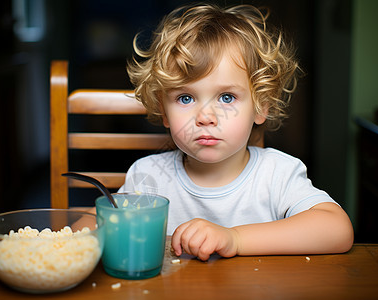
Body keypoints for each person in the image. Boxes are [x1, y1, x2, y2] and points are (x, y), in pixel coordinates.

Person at [119, 3, 354, 261]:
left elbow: (337, 230)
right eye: (185, 98)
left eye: (227, 97)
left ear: (260, 107)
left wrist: (236, 238)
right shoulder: (146, 178)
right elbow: (105, 234)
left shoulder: (276, 175)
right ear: (164, 112)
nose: (205, 117)